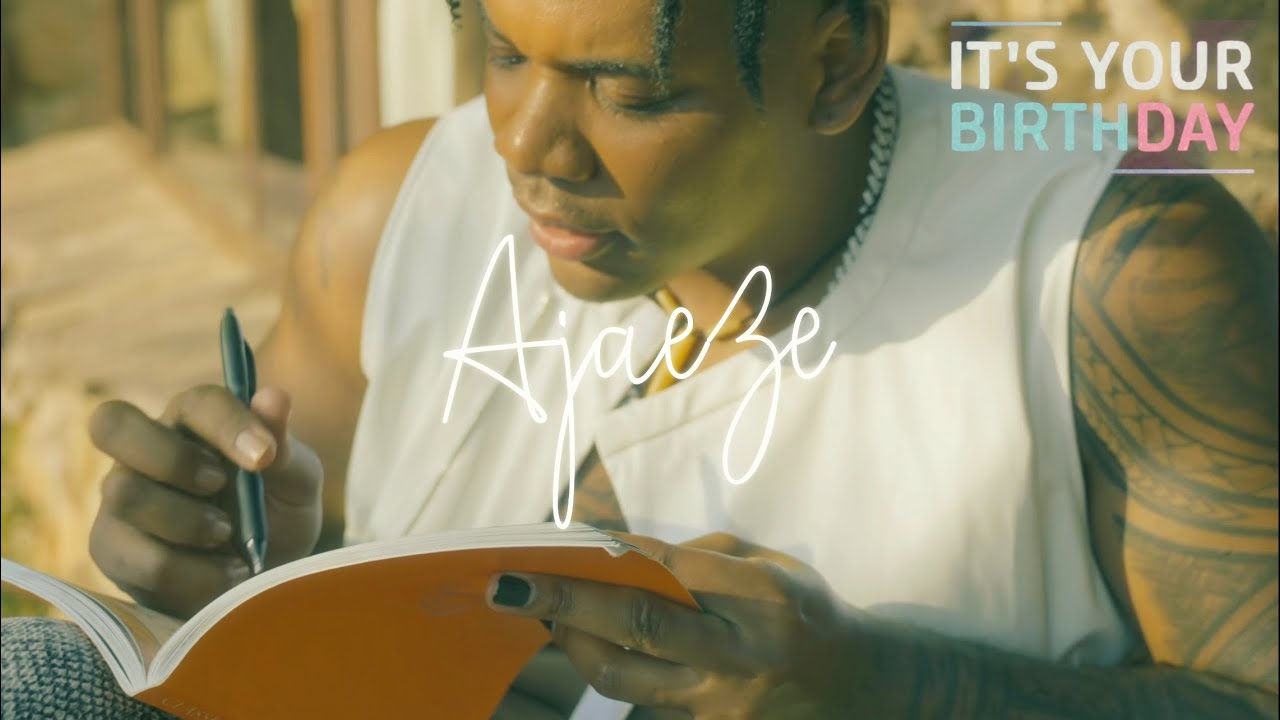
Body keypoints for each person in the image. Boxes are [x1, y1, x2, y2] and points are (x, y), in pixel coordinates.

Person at [3, 0, 1276, 717]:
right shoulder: (396, 213)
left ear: (834, 62)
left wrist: (885, 689)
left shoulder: (1109, 272)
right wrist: (241, 557)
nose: (527, 147)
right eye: (503, 51)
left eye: (628, 91)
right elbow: (272, 600)